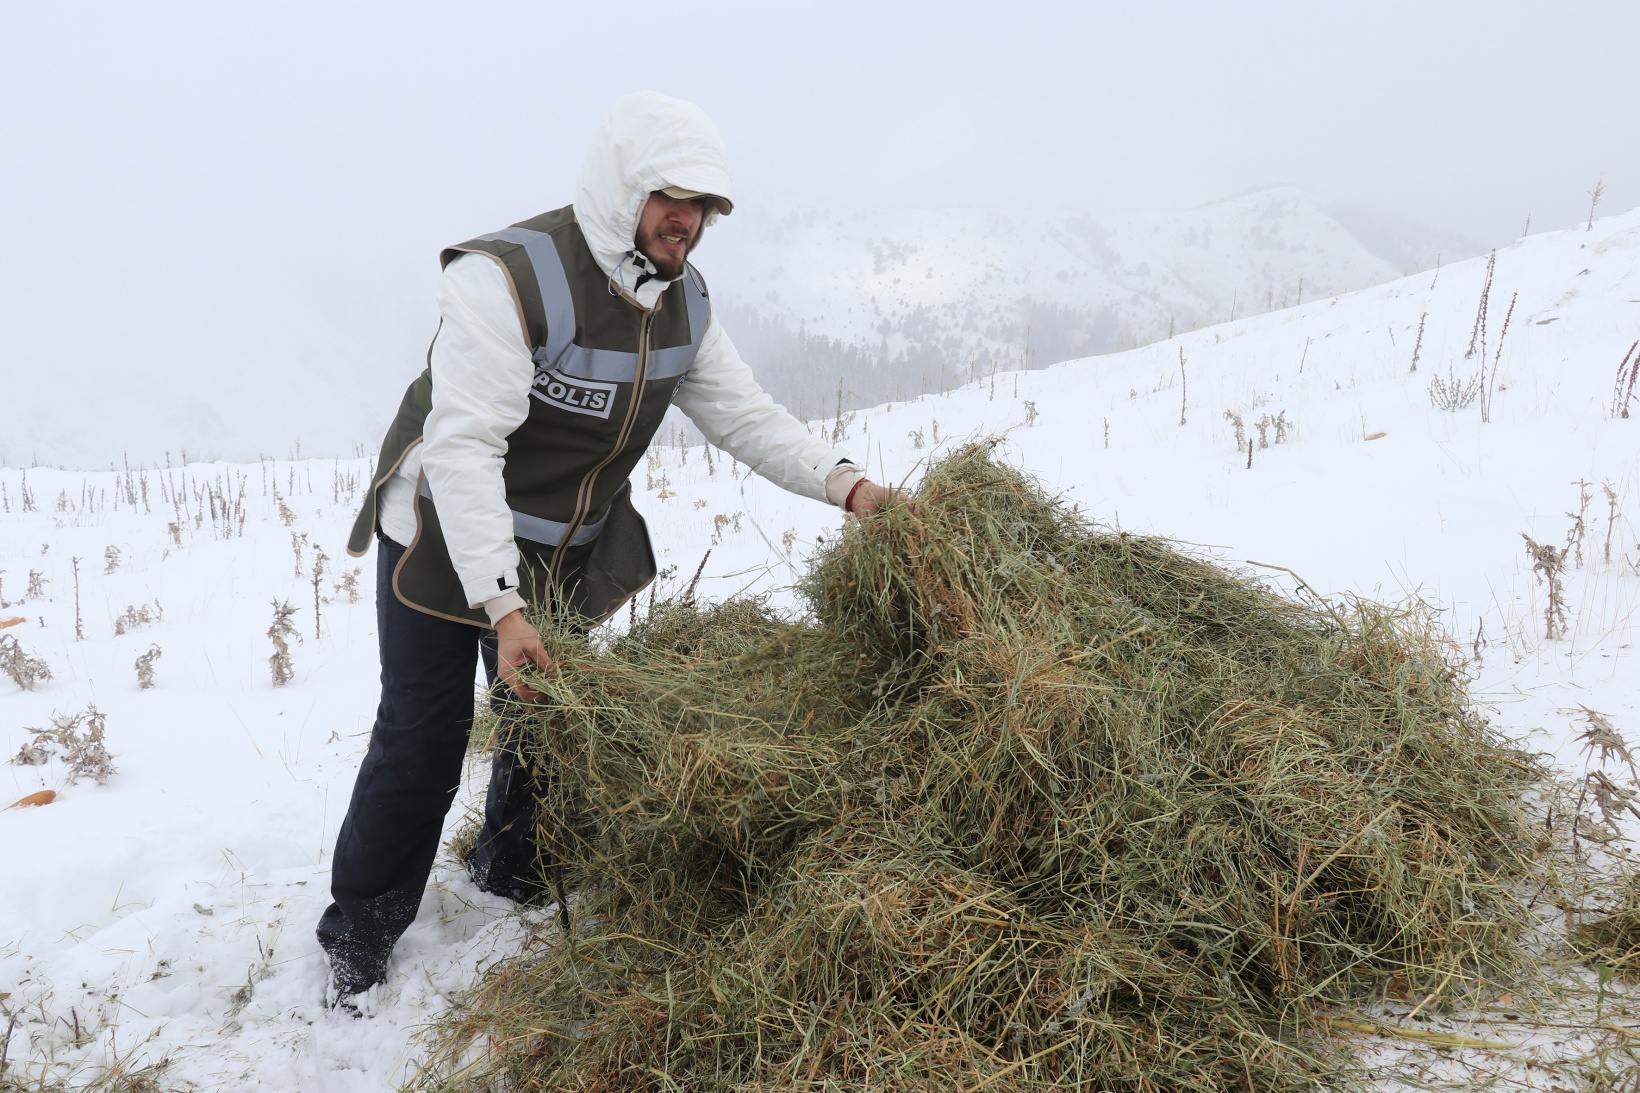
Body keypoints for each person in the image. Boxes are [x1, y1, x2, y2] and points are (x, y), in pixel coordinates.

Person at [315, 91, 898, 1005]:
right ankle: (359, 937)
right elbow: (465, 451)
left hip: (556, 549)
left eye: (706, 206)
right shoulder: (506, 280)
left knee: (551, 719)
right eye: (673, 197)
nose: (690, 221)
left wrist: (850, 485)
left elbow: (744, 415)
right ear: (624, 187)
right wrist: (503, 610)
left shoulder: (681, 303)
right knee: (422, 736)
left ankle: (509, 870)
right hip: (437, 533)